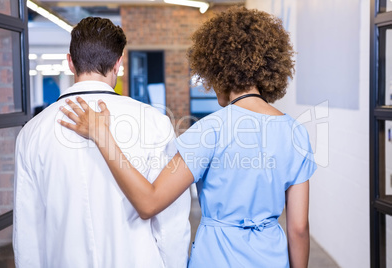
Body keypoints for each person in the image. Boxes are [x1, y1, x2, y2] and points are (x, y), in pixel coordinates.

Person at [59, 7, 316, 268]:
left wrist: (103, 136)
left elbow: (149, 202)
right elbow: (298, 227)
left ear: (218, 70)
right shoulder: (296, 133)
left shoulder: (210, 130)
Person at [13, 17, 190, 268]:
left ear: (70, 62)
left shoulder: (32, 133)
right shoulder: (153, 122)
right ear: (118, 64)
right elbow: (171, 221)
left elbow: (27, 231)